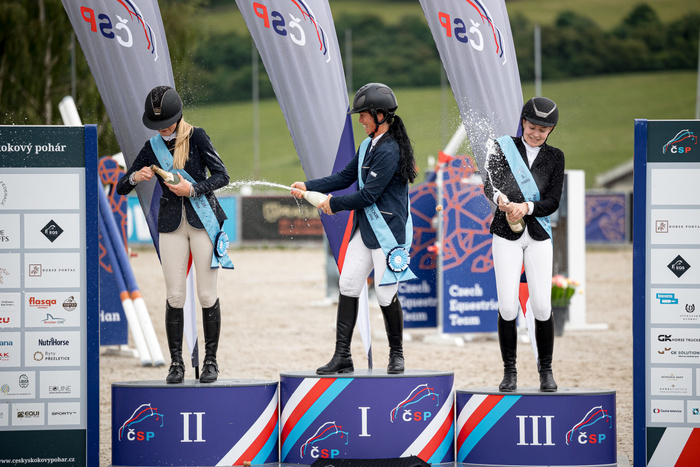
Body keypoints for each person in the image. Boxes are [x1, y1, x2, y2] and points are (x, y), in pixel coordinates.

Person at [291, 83, 417, 375]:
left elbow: (368, 195)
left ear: (380, 115)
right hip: (365, 229)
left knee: (384, 296)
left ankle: (396, 355)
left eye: (363, 115)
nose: (360, 120)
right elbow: (344, 177)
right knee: (347, 285)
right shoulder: (367, 147)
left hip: (388, 233)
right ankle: (342, 356)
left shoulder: (390, 150)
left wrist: (333, 205)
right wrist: (307, 185)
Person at [117, 86, 232, 384]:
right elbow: (121, 187)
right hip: (171, 225)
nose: (163, 129)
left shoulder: (198, 137)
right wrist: (135, 177)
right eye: (158, 125)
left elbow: (222, 176)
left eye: (167, 124)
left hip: (202, 222)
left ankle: (211, 361)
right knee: (175, 295)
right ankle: (176, 363)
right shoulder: (152, 146)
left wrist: (192, 189)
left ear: (178, 117)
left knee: (206, 294)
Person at [482, 96, 565, 392]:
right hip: (505, 234)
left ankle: (546, 371)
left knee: (542, 305)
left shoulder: (555, 157)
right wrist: (500, 200)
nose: (536, 134)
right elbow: (489, 183)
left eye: (543, 129)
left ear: (551, 130)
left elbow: (552, 201)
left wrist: (526, 207)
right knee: (507, 306)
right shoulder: (503, 147)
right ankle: (510, 371)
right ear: (523, 123)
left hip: (539, 236)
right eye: (532, 127)